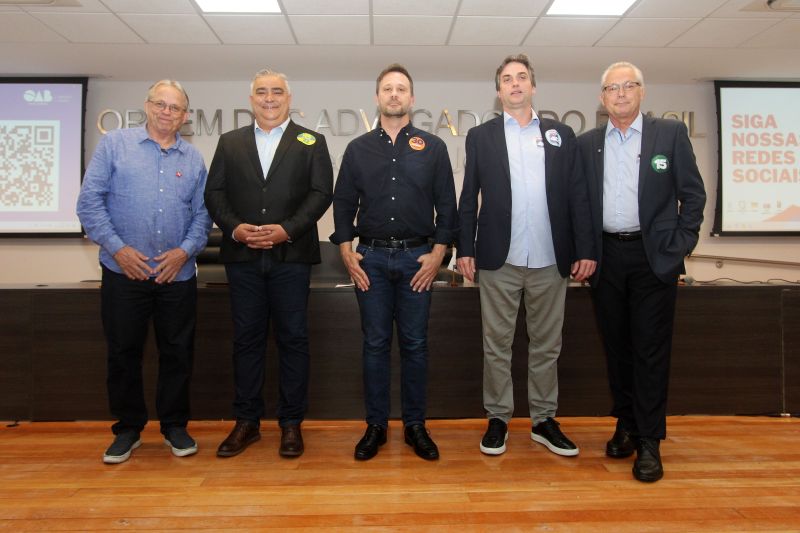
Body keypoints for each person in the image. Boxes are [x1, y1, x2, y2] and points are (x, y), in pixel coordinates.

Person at [456, 54, 596, 458]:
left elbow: (578, 195)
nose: (515, 84)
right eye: (507, 79)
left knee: (547, 345)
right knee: (496, 344)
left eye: (521, 77)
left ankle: (543, 420)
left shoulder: (560, 134)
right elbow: (469, 197)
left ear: (533, 86)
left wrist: (585, 248)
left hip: (551, 258)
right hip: (498, 258)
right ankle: (498, 418)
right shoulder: (481, 136)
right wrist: (464, 249)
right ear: (498, 90)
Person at [577, 61, 705, 482]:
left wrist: (679, 245)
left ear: (641, 92)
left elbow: (693, 195)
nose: (620, 94)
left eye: (628, 86)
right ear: (602, 98)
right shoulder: (588, 143)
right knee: (617, 348)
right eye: (612, 88)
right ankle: (627, 423)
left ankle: (649, 440)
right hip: (606, 258)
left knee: (650, 350)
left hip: (654, 258)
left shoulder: (669, 134)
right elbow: (579, 204)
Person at [77, 80, 212, 464]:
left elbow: (204, 215)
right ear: (147, 106)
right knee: (123, 353)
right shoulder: (114, 145)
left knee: (178, 354)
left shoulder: (193, 159)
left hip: (177, 276)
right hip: (124, 273)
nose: (167, 112)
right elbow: (89, 204)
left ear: (185, 116)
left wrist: (183, 253)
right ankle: (128, 429)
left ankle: (174, 426)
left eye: (175, 107)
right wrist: (119, 251)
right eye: (160, 104)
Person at [331, 63, 457, 461]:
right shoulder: (358, 149)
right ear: (377, 97)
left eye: (401, 88)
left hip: (416, 260)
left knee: (416, 345)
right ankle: (376, 426)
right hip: (370, 260)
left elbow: (447, 207)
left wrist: (438, 254)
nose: (394, 94)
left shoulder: (433, 147)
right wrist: (346, 250)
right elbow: (343, 203)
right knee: (375, 344)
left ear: (412, 98)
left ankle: (415, 426)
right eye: (388, 88)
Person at [204, 69, 333, 459]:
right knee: (246, 341)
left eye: (277, 91)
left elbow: (321, 193)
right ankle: (247, 422)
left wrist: (286, 230)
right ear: (252, 99)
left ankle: (291, 423)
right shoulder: (230, 142)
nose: (270, 98)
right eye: (262, 92)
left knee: (293, 340)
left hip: (291, 258)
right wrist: (236, 229)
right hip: (243, 258)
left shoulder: (311, 141)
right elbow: (214, 193)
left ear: (289, 98)